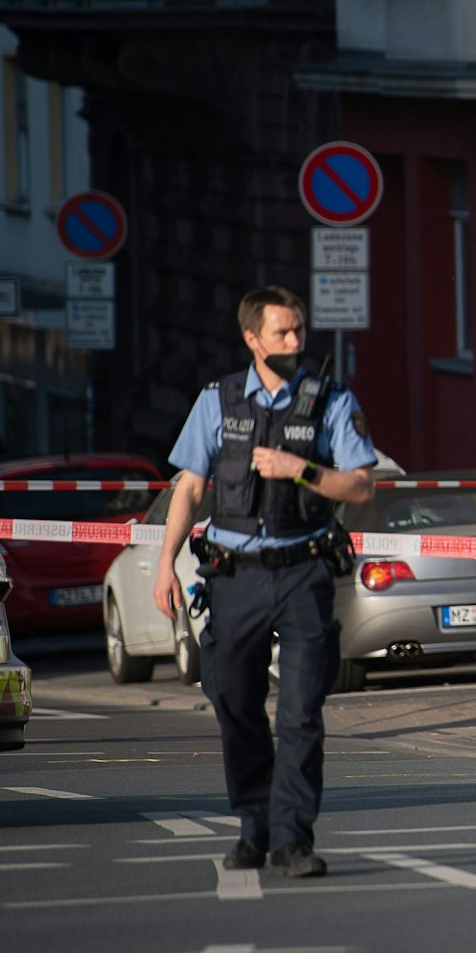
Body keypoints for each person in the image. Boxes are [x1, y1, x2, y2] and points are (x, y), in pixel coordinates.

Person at [154, 287, 376, 879]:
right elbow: (190, 487)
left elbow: (360, 487)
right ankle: (253, 827)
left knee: (301, 713)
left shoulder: (329, 400)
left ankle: (293, 840)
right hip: (234, 580)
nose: (295, 342)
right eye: (282, 333)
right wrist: (164, 562)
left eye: (299, 330)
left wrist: (299, 469)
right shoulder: (218, 401)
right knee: (235, 705)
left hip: (303, 573)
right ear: (252, 339)